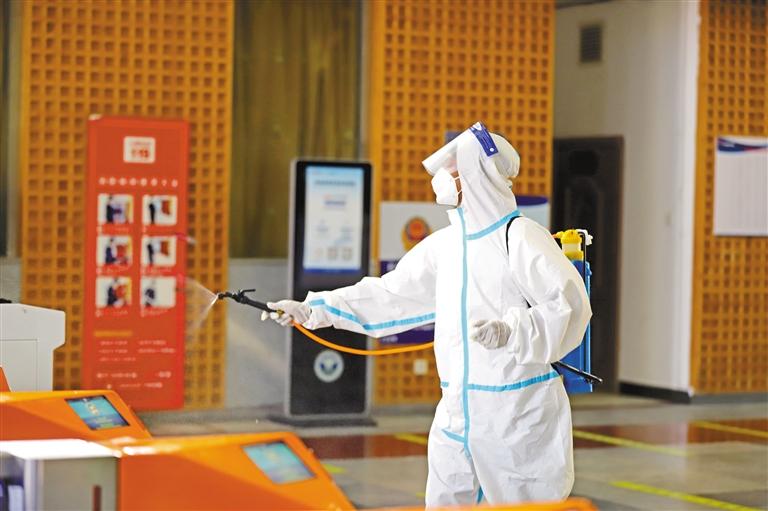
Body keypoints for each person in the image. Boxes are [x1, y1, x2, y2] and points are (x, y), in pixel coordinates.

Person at [262, 123, 591, 507]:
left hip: (517, 413)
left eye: (453, 170)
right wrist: (313, 309)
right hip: (455, 411)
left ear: (478, 175)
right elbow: (391, 294)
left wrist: (512, 330)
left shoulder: (519, 237)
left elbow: (569, 305)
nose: (443, 179)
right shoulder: (445, 246)